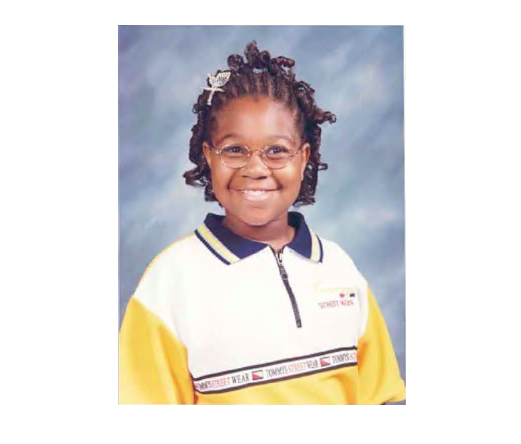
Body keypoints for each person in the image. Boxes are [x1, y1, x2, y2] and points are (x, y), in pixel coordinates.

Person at [119, 41, 405, 404]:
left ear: (304, 159)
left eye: (276, 150)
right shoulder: (169, 282)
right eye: (235, 150)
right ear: (209, 156)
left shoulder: (339, 268)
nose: (255, 169)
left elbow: (382, 401)